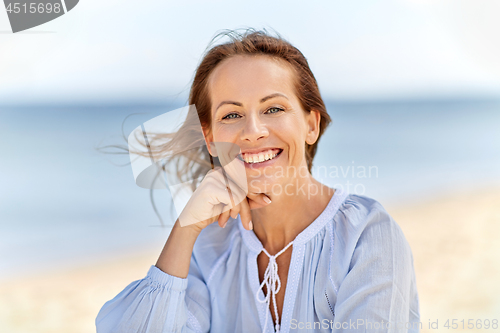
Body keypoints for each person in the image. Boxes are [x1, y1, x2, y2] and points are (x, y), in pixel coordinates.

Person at [96, 29, 420, 333]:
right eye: (231, 115)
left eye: (274, 108)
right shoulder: (209, 248)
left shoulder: (367, 234)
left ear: (311, 125)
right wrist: (186, 228)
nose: (253, 131)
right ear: (210, 139)